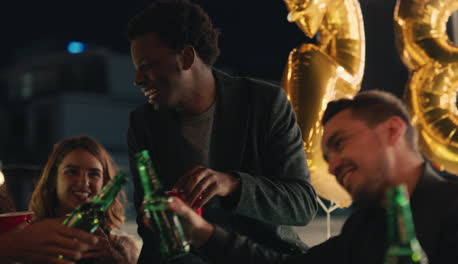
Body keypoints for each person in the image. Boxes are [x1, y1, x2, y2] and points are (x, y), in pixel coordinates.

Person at [167, 90, 458, 264]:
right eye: (327, 158)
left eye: (339, 144)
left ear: (392, 130)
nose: (333, 165)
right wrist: (202, 233)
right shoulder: (363, 228)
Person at [126, 0, 317, 262]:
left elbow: (302, 205)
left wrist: (232, 185)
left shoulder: (263, 103)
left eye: (146, 65)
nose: (137, 79)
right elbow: (145, 218)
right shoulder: (143, 122)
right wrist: (153, 217)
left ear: (186, 57)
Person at [29, 136, 140, 264]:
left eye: (93, 174)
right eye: (72, 172)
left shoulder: (121, 251)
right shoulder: (31, 243)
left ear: (105, 184)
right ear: (54, 179)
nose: (84, 182)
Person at [0, 217, 98, 264]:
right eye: (72, 174)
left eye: (94, 175)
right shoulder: (34, 234)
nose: (84, 182)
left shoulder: (107, 236)